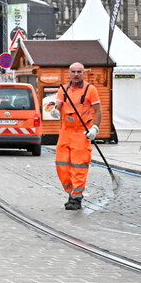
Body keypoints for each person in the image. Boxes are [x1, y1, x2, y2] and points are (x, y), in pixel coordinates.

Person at [55, 62, 103, 210]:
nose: (76, 74)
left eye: (79, 72)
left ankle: (76, 198)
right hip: (65, 132)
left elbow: (98, 111)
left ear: (84, 73)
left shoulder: (90, 90)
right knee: (61, 165)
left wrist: (94, 128)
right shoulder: (63, 89)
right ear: (69, 73)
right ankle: (71, 193)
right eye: (73, 71)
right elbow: (58, 104)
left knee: (79, 166)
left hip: (82, 132)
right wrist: (55, 110)